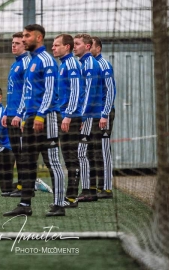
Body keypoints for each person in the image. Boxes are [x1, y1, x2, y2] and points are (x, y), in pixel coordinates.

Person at [3, 24, 65, 217]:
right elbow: (27, 93)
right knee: (27, 161)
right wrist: (21, 115)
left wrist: (40, 115)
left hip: (47, 118)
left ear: (39, 38)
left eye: (27, 36)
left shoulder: (46, 60)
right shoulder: (31, 62)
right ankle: (25, 204)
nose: (24, 39)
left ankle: (59, 204)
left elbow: (50, 90)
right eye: (23, 36)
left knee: (52, 161)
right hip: (30, 120)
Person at [1, 32, 52, 197]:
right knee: (17, 152)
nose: (13, 45)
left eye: (17, 43)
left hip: (20, 116)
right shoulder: (15, 64)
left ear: (25, 45)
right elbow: (13, 92)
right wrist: (6, 111)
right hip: (11, 113)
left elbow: (26, 92)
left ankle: (26, 186)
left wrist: (19, 114)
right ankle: (23, 184)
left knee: (24, 153)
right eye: (13, 43)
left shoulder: (27, 63)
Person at [52, 34, 84, 208]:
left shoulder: (71, 64)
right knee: (68, 157)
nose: (53, 48)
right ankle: (70, 196)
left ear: (67, 47)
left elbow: (76, 91)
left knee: (71, 157)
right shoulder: (63, 65)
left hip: (69, 117)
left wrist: (69, 115)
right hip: (64, 115)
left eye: (57, 45)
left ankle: (72, 197)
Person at [73, 33, 104, 202]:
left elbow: (90, 93)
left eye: (77, 43)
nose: (74, 46)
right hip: (89, 115)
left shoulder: (90, 64)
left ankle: (87, 191)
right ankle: (91, 189)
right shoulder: (83, 63)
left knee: (82, 153)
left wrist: (82, 116)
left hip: (90, 116)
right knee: (89, 153)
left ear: (87, 46)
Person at [90, 36, 116, 199]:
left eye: (89, 45)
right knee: (92, 151)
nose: (86, 47)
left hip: (103, 115)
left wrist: (104, 114)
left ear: (98, 48)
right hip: (91, 115)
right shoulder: (88, 65)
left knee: (103, 150)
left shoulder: (104, 65)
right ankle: (94, 186)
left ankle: (106, 188)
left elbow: (111, 91)